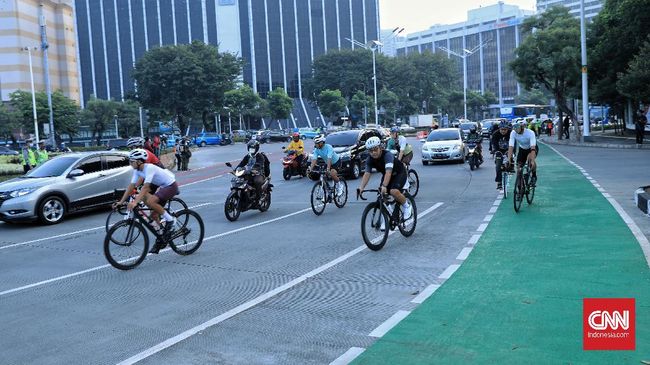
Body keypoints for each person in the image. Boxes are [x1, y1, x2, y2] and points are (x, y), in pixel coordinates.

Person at [114, 149, 179, 254]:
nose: (130, 163)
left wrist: (135, 203)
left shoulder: (149, 168)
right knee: (153, 215)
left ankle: (171, 220)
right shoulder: (137, 171)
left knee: (150, 201)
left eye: (132, 161)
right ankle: (162, 236)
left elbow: (146, 187)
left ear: (139, 161)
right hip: (163, 187)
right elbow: (131, 187)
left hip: (171, 186)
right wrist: (121, 202)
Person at [357, 136, 412, 222]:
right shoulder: (369, 160)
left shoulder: (387, 155)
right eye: (370, 151)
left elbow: (388, 172)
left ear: (381, 148)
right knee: (381, 194)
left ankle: (407, 206)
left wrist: (384, 185)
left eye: (375, 149)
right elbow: (367, 174)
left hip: (399, 173)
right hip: (387, 175)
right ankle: (388, 215)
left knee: (393, 191)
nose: (373, 152)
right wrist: (361, 188)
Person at [507, 120, 538, 187]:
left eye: (517, 127)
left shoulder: (530, 133)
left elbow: (533, 148)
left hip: (531, 148)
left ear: (522, 127)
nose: (515, 129)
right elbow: (511, 146)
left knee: (529, 159)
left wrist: (532, 161)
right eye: (514, 127)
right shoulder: (513, 132)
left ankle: (534, 176)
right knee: (519, 167)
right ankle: (520, 186)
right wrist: (509, 159)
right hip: (522, 149)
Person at [491, 121, 513, 190]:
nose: (503, 131)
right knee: (498, 166)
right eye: (502, 129)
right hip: (499, 150)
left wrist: (512, 152)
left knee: (511, 160)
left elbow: (513, 144)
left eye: (505, 129)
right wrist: (496, 151)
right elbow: (494, 144)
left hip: (508, 150)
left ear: (507, 129)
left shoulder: (511, 133)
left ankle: (510, 167)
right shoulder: (495, 134)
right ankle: (499, 182)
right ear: (499, 129)